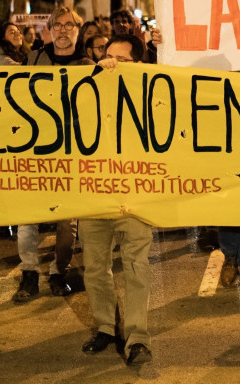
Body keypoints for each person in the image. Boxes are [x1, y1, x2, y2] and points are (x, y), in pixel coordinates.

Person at [78, 34, 154, 366]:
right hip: (93, 193)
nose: (111, 64)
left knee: (137, 266)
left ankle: (137, 338)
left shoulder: (151, 93)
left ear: (139, 65)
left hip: (135, 194)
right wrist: (96, 76)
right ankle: (106, 328)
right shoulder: (90, 87)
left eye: (120, 60)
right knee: (95, 266)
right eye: (107, 56)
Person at [13, 6, 91, 302]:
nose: (62, 30)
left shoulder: (87, 64)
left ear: (77, 30)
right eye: (57, 25)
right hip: (35, 146)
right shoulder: (34, 59)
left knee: (67, 218)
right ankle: (29, 271)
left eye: (68, 25)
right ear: (49, 29)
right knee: (27, 213)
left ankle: (59, 270)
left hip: (70, 149)